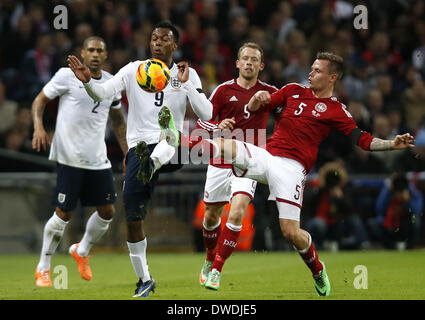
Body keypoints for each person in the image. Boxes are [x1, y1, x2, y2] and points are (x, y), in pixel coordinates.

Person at [157, 52, 415, 296]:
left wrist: (392, 143)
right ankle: (177, 138)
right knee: (229, 146)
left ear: (332, 77)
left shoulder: (336, 110)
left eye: (317, 70)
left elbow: (363, 140)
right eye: (311, 68)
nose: (310, 73)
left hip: (292, 169)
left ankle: (317, 269)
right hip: (267, 154)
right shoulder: (293, 91)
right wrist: (258, 100)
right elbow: (268, 102)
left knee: (291, 232)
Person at [67, 21, 213, 297]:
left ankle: (153, 162)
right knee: (133, 214)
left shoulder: (186, 73)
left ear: (175, 45)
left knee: (168, 135)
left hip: (172, 148)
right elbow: (102, 93)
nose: (157, 43)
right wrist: (88, 81)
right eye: (154, 39)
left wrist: (187, 86)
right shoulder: (133, 69)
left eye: (164, 39)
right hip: (138, 149)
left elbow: (206, 113)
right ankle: (144, 279)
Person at [32, 36, 127, 287]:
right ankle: (43, 267)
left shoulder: (111, 83)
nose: (95, 54)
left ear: (106, 56)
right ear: (82, 53)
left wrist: (127, 151)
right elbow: (40, 101)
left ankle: (82, 251)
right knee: (64, 213)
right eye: (91, 50)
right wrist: (38, 127)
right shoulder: (66, 75)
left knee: (107, 212)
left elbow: (117, 119)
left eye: (100, 51)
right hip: (69, 156)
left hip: (97, 159)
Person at [195, 42, 277, 290]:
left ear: (261, 66)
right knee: (211, 217)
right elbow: (203, 120)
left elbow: (290, 116)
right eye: (245, 58)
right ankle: (210, 258)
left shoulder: (269, 93)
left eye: (254, 59)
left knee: (238, 210)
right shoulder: (222, 90)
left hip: (249, 161)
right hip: (220, 160)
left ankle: (217, 268)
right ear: (237, 63)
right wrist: (218, 127)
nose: (249, 62)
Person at [367, 172, 423, 249]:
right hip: (389, 222)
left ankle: (410, 246)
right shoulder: (388, 191)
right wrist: (388, 192)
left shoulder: (413, 191)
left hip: (406, 223)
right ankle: (391, 246)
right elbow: (379, 209)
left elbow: (417, 211)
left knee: (416, 220)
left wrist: (408, 201)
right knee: (373, 223)